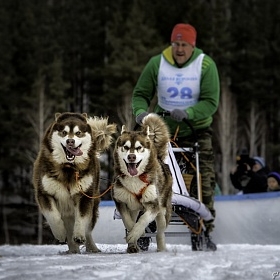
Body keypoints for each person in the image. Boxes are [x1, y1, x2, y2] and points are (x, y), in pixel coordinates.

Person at [132, 23, 220, 251]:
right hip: (161, 130)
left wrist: (189, 112)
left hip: (196, 129)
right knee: (145, 174)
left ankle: (203, 232)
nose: (179, 49)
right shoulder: (156, 63)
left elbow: (211, 102)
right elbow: (141, 94)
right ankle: (142, 227)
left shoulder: (206, 65)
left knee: (203, 179)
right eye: (176, 44)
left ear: (192, 46)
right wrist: (141, 113)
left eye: (184, 45)